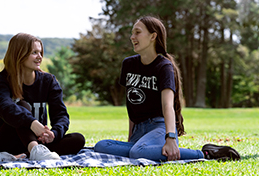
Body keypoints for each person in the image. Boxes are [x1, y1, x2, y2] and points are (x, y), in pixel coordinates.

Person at [92, 16, 239, 161]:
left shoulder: (164, 66)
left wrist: (170, 137)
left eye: (137, 32)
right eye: (132, 33)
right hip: (139, 130)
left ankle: (205, 154)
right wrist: (131, 137)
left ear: (153, 36)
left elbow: (167, 105)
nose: (132, 37)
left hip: (160, 128)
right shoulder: (128, 64)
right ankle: (144, 150)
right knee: (102, 146)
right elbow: (132, 105)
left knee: (137, 152)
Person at [0, 33, 86, 164]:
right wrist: (32, 123)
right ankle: (33, 150)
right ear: (19, 54)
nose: (39, 57)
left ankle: (22, 155)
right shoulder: (4, 79)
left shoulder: (48, 80)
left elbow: (61, 114)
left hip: (39, 141)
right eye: (34, 52)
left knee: (78, 139)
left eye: (40, 52)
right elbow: (5, 107)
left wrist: (54, 133)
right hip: (8, 141)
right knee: (21, 105)